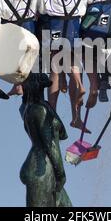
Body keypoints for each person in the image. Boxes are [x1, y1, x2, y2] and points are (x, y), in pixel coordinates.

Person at [37, 0, 89, 132]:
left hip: (55, 24)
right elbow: (84, 5)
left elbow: (41, 7)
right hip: (75, 24)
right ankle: (77, 115)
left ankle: (52, 112)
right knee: (74, 62)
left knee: (55, 70)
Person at [19, 73, 72, 207]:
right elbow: (51, 145)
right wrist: (61, 174)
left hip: (43, 169)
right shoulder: (40, 110)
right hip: (42, 170)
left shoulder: (29, 108)